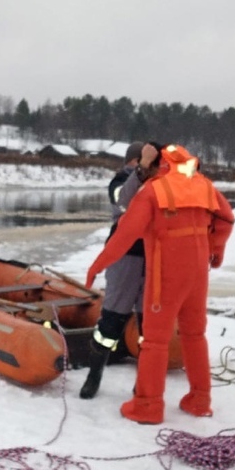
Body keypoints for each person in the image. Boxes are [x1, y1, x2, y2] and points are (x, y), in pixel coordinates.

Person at [85, 143, 235, 425]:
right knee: (195, 335)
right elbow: (226, 218)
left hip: (164, 275)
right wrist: (216, 250)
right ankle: (200, 399)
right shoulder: (203, 186)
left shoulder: (155, 190)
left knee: (154, 340)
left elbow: (124, 235)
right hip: (196, 275)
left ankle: (147, 405)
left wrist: (97, 266)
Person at [80, 141, 156, 399]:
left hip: (153, 261)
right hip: (124, 259)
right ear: (134, 160)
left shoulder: (159, 183)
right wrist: (143, 169)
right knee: (111, 322)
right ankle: (94, 375)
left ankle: (144, 384)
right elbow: (123, 201)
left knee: (150, 328)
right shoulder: (121, 181)